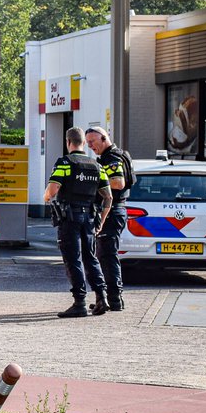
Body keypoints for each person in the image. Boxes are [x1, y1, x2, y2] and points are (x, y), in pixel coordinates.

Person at [44, 127, 111, 318]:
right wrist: (101, 221)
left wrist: (45, 197)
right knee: (91, 257)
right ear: (83, 142)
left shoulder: (65, 163)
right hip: (90, 218)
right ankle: (101, 297)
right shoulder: (97, 166)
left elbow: (52, 190)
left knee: (73, 259)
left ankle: (79, 302)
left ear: (68, 142)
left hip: (69, 218)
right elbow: (108, 197)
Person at [85, 125, 132, 312]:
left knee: (107, 256)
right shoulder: (115, 155)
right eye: (87, 143)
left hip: (112, 212)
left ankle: (114, 299)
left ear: (104, 138)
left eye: (93, 142)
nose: (90, 146)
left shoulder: (112, 158)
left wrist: (92, 182)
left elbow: (118, 183)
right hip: (114, 211)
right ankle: (109, 299)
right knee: (105, 256)